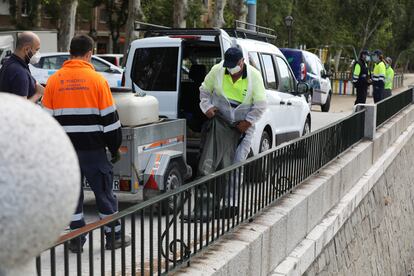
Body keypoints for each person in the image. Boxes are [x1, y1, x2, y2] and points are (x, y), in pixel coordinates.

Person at [42, 35, 130, 253]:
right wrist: (114, 147)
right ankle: (113, 236)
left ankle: (76, 238)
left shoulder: (54, 81)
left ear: (70, 52)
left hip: (65, 152)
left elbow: (45, 122)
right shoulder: (98, 81)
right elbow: (110, 122)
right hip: (94, 151)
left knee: (72, 196)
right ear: (90, 53)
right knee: (103, 194)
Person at [197, 47, 267, 216]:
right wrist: (207, 107)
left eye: (233, 65)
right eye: (227, 65)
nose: (230, 69)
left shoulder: (254, 77)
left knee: (236, 164)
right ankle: (212, 200)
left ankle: (231, 204)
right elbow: (204, 91)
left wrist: (248, 122)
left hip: (242, 126)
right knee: (215, 161)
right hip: (221, 124)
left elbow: (260, 105)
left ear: (241, 62)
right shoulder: (218, 70)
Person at [0, 31, 44, 102]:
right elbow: (22, 107)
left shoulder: (8, 64)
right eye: (36, 50)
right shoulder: (20, 72)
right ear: (26, 49)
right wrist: (38, 94)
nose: (37, 53)